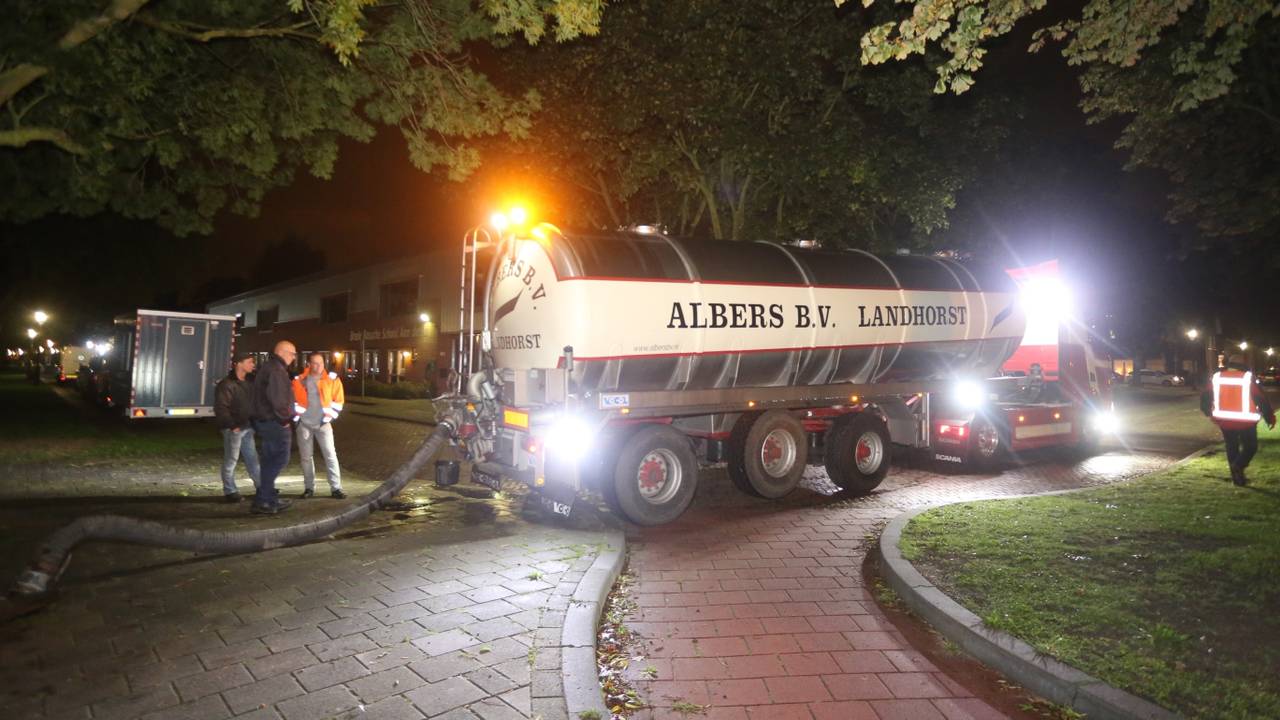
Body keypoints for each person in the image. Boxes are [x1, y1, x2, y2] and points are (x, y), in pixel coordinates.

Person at [1201, 354, 1276, 486]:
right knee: (1251, 447)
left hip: (1224, 420)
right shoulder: (1247, 378)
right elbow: (1261, 399)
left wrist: (1208, 412)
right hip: (1245, 421)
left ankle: (1237, 478)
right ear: (1243, 364)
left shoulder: (1217, 377)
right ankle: (1239, 466)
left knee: (1231, 447)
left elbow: (1205, 396)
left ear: (1229, 363)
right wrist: (1269, 418)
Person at [250, 341, 297, 514]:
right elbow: (278, 400)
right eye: (292, 353)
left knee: (269, 460)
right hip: (274, 423)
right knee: (279, 459)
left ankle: (266, 498)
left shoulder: (269, 367)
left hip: (266, 421)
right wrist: (285, 420)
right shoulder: (277, 370)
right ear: (283, 352)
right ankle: (265, 500)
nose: (294, 357)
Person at [292, 351, 347, 500]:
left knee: (330, 455)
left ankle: (336, 488)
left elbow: (339, 402)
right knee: (306, 457)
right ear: (309, 364)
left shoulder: (332, 379)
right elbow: (292, 401)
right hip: (304, 424)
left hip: (324, 424)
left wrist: (328, 418)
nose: (318, 366)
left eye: (320, 363)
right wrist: (297, 419)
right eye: (315, 363)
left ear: (324, 364)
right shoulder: (299, 380)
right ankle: (309, 488)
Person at [214, 352, 261, 502]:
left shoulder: (249, 382)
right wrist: (232, 425)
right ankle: (230, 490)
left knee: (252, 458)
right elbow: (221, 407)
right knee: (231, 459)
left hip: (247, 427)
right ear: (239, 364)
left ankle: (261, 487)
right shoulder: (227, 384)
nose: (252, 365)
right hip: (233, 429)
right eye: (249, 362)